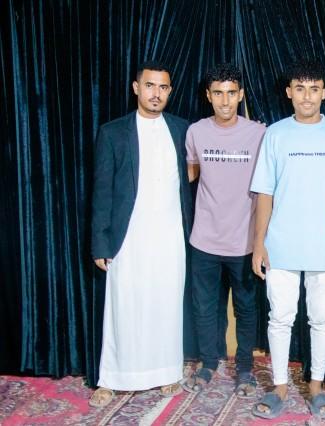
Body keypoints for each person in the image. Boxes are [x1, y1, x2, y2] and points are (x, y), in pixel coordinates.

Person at [89, 61, 192, 407]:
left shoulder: (182, 129)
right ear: (136, 88)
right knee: (124, 306)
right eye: (150, 86)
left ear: (170, 91)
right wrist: (101, 243)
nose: (156, 93)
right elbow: (102, 192)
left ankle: (167, 372)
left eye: (163, 87)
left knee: (166, 304)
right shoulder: (113, 132)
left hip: (170, 235)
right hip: (128, 237)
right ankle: (113, 378)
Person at [249, 60, 325, 420]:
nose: (307, 96)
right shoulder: (276, 133)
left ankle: (317, 387)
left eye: (314, 89)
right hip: (282, 244)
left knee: (322, 318)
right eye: (300, 89)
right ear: (289, 92)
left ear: (324, 93)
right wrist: (259, 243)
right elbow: (265, 193)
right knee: (280, 318)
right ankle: (279, 387)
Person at [181, 64, 265, 395]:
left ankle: (244, 369)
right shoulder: (196, 132)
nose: (225, 100)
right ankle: (208, 363)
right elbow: (189, 175)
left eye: (231, 93)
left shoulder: (259, 133)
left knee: (246, 309)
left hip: (244, 242)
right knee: (204, 307)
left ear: (241, 95)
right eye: (218, 93)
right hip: (204, 239)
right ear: (208, 96)